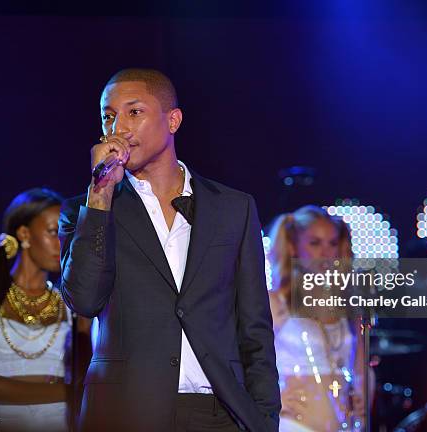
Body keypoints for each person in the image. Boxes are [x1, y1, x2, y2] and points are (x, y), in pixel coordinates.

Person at [59, 68, 281, 431]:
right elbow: (83, 300)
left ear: (173, 120)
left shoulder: (233, 208)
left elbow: (254, 325)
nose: (120, 128)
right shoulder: (87, 210)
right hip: (126, 411)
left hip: (219, 412)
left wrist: (264, 418)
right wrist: (100, 193)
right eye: (109, 116)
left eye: (134, 112)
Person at [0, 188, 87, 432]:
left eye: (66, 233)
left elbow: (86, 379)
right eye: (53, 232)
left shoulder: (72, 302)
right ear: (24, 233)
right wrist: (65, 390)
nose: (62, 243)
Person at [267, 205, 371, 432]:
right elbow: (241, 362)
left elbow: (361, 367)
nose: (326, 253)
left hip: (346, 425)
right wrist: (269, 399)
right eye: (315, 243)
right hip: (293, 424)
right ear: (294, 247)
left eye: (332, 243)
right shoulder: (276, 302)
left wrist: (364, 395)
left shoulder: (349, 306)